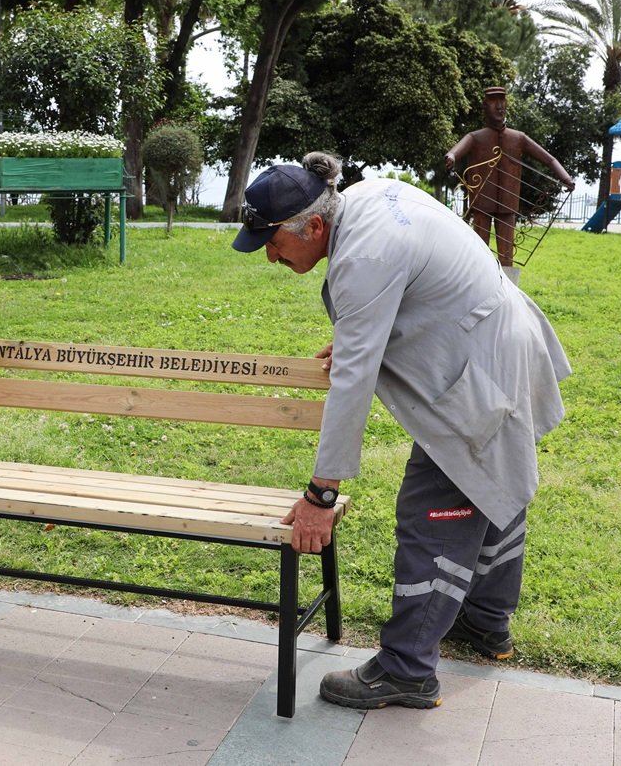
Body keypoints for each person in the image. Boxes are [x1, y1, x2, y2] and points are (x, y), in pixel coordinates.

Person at [232, 152, 570, 710]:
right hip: (500, 340)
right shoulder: (366, 197)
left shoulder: (362, 255)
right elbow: (414, 279)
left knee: (433, 509)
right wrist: (360, 331)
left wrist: (321, 496)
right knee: (492, 484)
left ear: (313, 226)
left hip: (479, 369)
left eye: (272, 242)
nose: (270, 255)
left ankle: (407, 669)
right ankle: (486, 622)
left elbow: (352, 384)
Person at [444, 86, 575, 268]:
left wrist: (566, 178)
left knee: (507, 258)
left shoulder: (518, 138)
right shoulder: (475, 137)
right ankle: (479, 280)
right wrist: (451, 157)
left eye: (502, 101)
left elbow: (549, 159)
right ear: (485, 105)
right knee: (479, 254)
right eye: (493, 101)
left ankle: (507, 283)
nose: (499, 106)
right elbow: (455, 152)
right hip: (482, 204)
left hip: (507, 205)